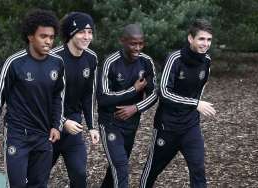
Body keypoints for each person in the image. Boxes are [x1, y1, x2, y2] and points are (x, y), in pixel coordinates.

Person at [0, 9, 64, 188]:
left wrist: (56, 125)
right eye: (43, 36)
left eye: (51, 37)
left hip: (44, 135)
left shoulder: (57, 63)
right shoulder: (14, 63)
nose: (48, 41)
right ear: (30, 36)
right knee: (17, 184)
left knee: (39, 184)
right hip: (17, 135)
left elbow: (58, 96)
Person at [139, 19, 216, 188]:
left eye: (209, 40)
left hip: (190, 127)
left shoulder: (207, 61)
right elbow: (164, 93)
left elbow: (200, 88)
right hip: (167, 127)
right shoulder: (175, 58)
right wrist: (195, 104)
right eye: (202, 39)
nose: (206, 44)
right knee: (152, 170)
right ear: (191, 38)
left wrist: (194, 107)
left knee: (198, 170)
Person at [97, 23, 158, 188]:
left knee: (116, 168)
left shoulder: (146, 62)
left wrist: (135, 108)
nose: (137, 47)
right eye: (133, 43)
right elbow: (102, 98)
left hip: (131, 123)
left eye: (141, 43)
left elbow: (154, 94)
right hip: (110, 122)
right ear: (122, 41)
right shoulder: (111, 62)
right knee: (121, 167)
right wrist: (133, 90)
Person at [50, 12, 100, 188]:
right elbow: (44, 98)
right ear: (71, 33)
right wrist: (63, 122)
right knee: (36, 176)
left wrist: (92, 126)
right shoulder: (54, 58)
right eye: (82, 32)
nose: (87, 37)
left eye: (90, 32)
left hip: (73, 127)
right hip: (49, 126)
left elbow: (89, 95)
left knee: (79, 174)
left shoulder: (91, 58)